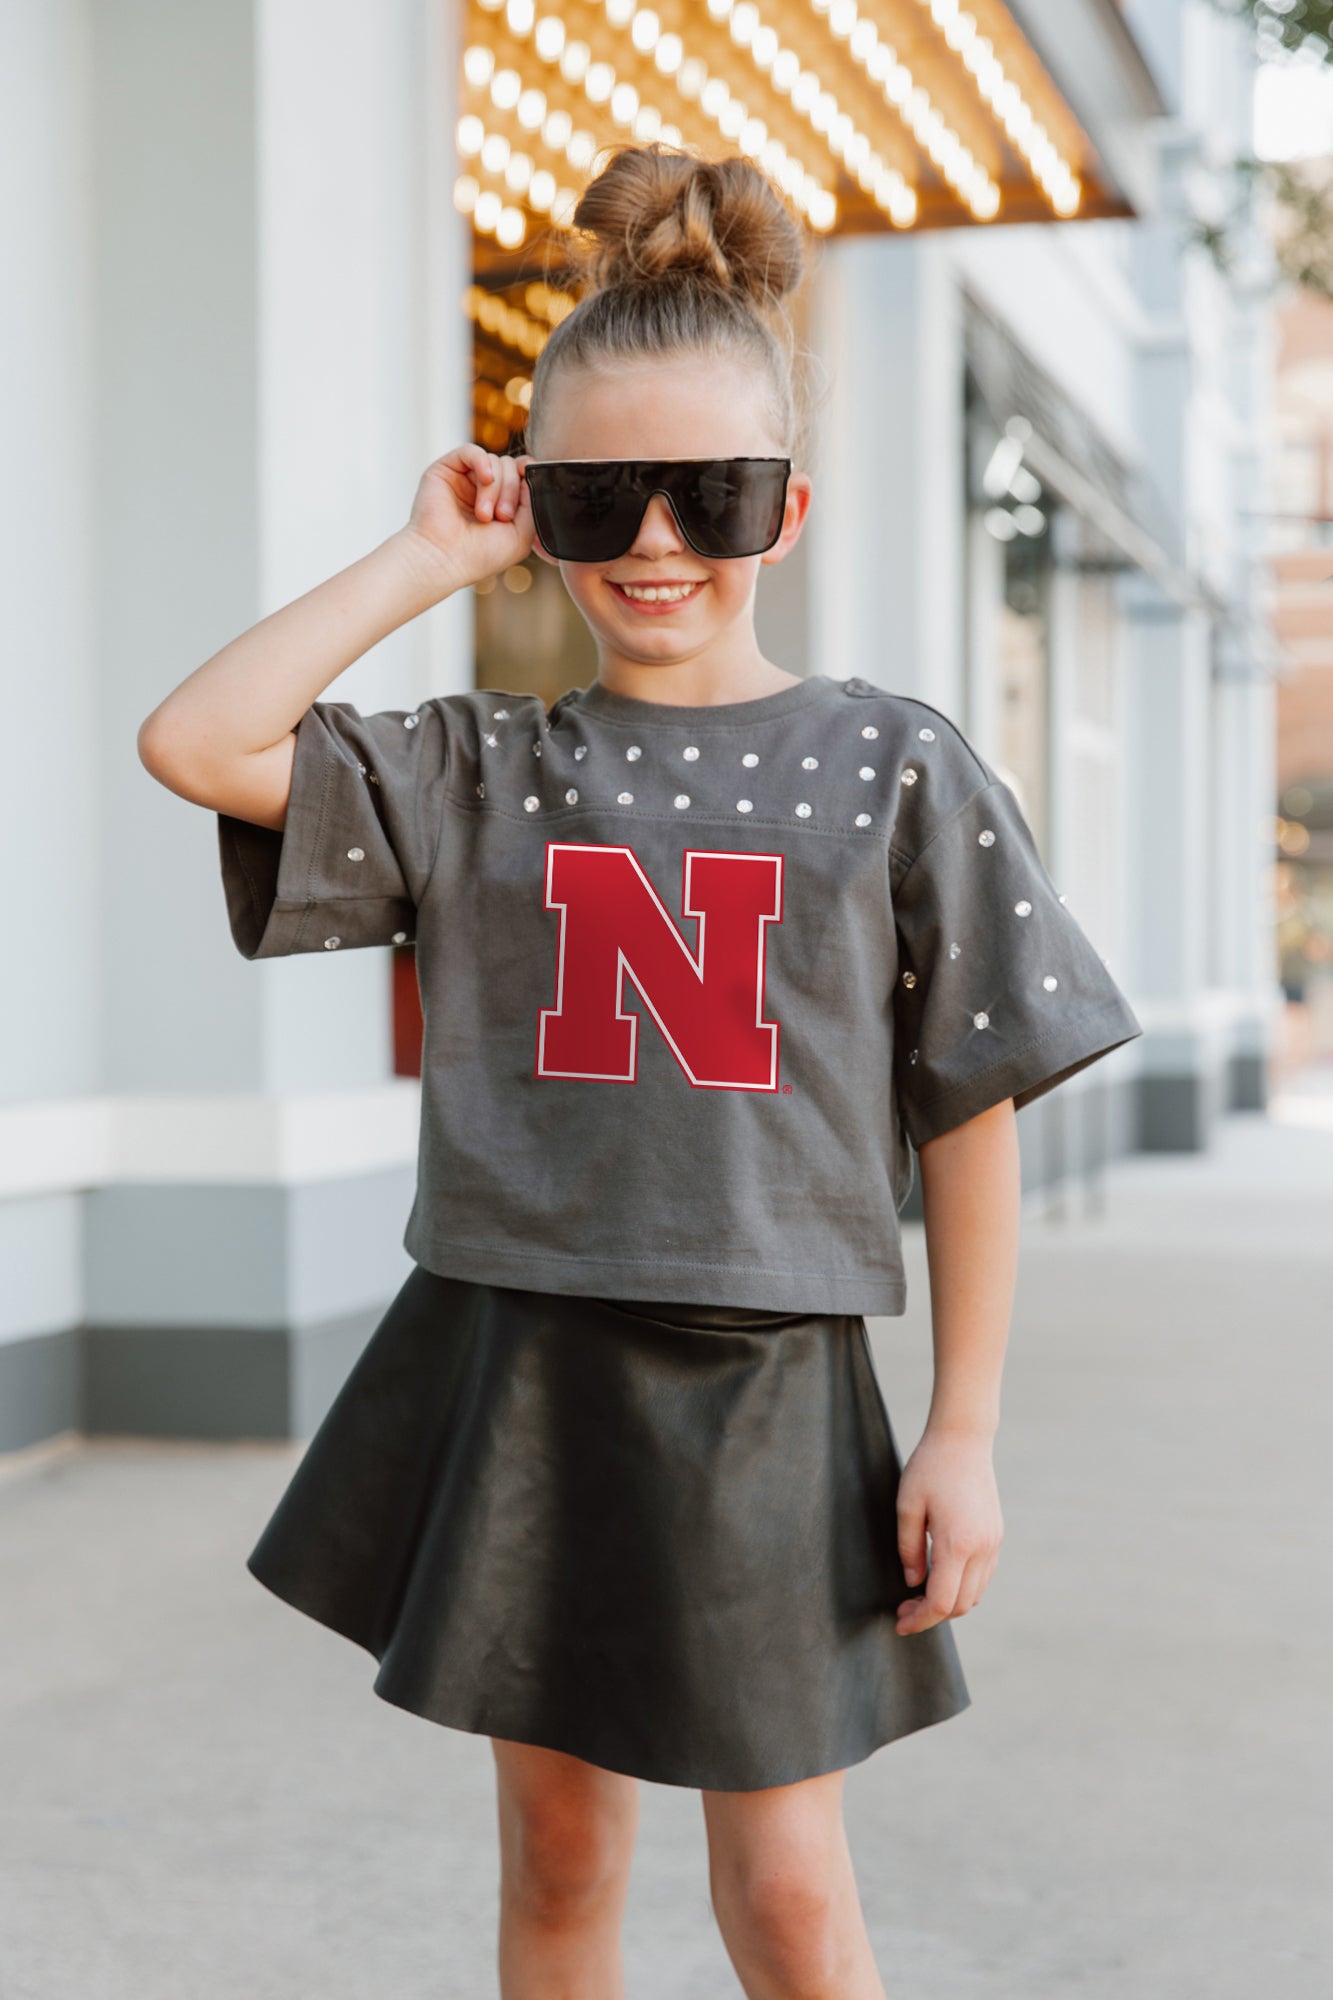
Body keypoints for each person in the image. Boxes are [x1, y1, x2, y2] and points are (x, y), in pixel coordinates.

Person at [138, 142, 1142, 2000]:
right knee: (558, 1856)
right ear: (537, 505)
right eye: (598, 496)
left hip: (767, 1384)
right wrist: (427, 557)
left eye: (713, 492)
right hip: (521, 1361)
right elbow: (199, 740)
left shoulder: (895, 767)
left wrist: (964, 1428)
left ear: (790, 508)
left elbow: (970, 1105)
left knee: (788, 1893)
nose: (657, 540)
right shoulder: (479, 771)